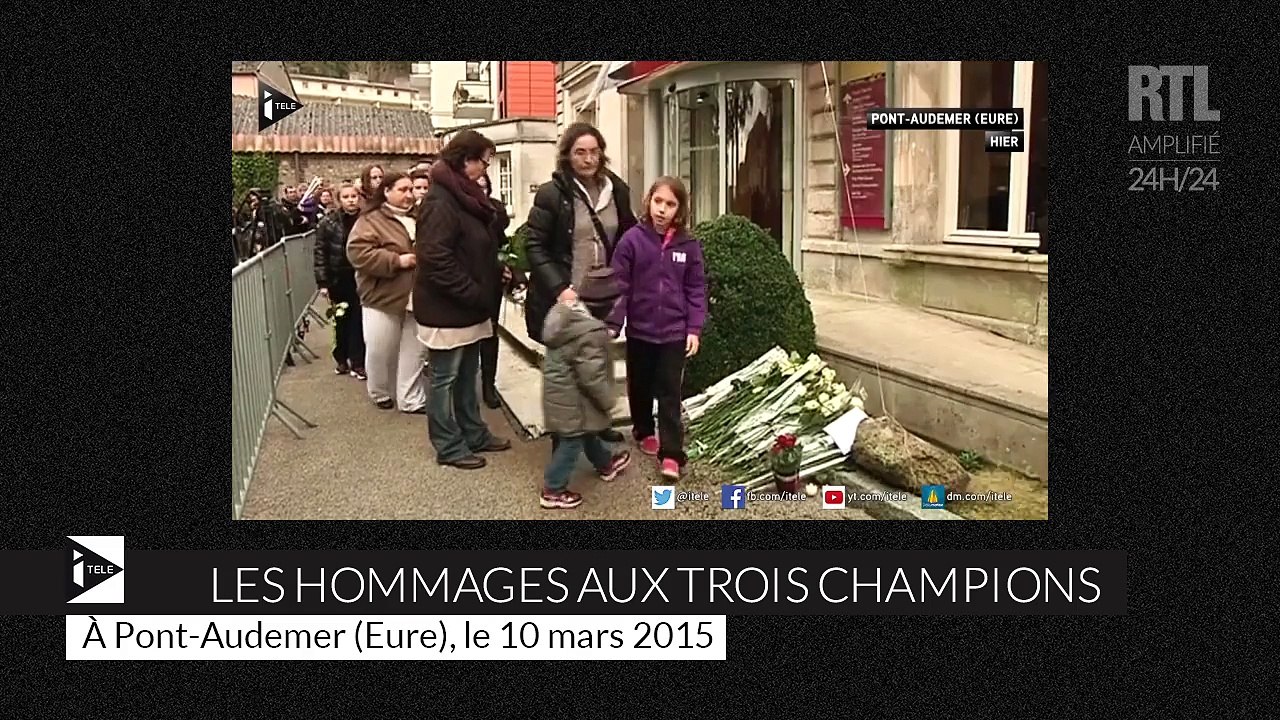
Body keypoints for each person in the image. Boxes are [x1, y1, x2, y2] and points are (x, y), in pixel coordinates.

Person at [524, 122, 637, 443]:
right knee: (569, 367)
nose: (588, 159)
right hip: (568, 297)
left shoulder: (617, 190)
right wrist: (560, 288)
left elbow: (628, 235)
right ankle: (567, 437)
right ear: (567, 155)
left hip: (604, 295)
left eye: (594, 152)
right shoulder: (552, 194)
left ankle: (598, 427)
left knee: (598, 362)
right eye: (580, 153)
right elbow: (534, 245)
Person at [414, 130, 511, 470]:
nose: (486, 169)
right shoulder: (440, 201)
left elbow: (476, 245)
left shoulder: (465, 195)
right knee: (444, 379)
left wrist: (494, 271)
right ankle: (448, 445)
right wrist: (473, 292)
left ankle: (474, 432)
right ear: (466, 160)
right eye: (484, 162)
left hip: (470, 306)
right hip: (448, 308)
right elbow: (435, 258)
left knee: (468, 374)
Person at [605, 176, 706, 481]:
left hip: (674, 333)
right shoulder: (632, 241)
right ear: (648, 201)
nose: (662, 209)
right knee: (640, 385)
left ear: (680, 209)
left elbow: (696, 289)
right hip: (641, 330)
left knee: (670, 392)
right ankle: (644, 429)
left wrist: (694, 328)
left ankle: (672, 453)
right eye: (658, 201)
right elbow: (619, 285)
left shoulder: (688, 245)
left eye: (670, 204)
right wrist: (613, 323)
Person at [539, 268, 633, 509]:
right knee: (571, 442)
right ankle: (553, 489)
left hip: (562, 393)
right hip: (572, 399)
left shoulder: (564, 316)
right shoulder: (590, 333)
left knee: (587, 431)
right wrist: (608, 401)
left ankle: (605, 464)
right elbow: (593, 376)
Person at [346, 171, 429, 413]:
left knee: (415, 351)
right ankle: (380, 391)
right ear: (386, 191)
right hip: (382, 297)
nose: (409, 195)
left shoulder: (420, 217)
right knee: (380, 350)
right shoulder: (370, 220)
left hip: (418, 294)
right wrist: (396, 261)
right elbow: (358, 252)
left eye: (411, 189)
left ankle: (410, 399)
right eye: (402, 190)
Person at [314, 183, 367, 379]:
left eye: (354, 196)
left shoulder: (366, 220)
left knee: (358, 320)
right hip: (338, 277)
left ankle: (358, 361)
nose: (351, 200)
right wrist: (323, 282)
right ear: (339, 200)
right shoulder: (328, 223)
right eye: (346, 197)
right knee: (341, 319)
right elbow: (320, 252)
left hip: (360, 276)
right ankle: (341, 358)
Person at [477, 172, 512, 409]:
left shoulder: (495, 211)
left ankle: (489, 385)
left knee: (490, 332)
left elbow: (503, 244)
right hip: (467, 279)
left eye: (484, 186)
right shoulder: (456, 210)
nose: (481, 191)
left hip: (491, 279)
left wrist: (505, 266)